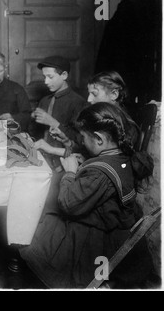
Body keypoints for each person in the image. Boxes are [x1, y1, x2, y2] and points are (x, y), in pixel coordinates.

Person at [19, 102, 154, 288]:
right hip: (110, 227)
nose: (81, 142)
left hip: (93, 241)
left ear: (99, 139)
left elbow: (68, 203)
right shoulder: (121, 156)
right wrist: (85, 162)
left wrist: (70, 172)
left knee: (36, 227)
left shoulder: (99, 174)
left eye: (83, 137)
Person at [30, 55, 88, 171]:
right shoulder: (44, 100)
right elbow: (36, 133)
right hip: (42, 160)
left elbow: (81, 141)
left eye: (50, 77)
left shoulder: (78, 102)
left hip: (65, 164)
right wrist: (33, 118)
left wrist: (54, 123)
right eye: (44, 77)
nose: (46, 81)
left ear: (64, 75)